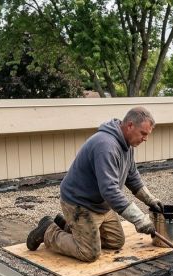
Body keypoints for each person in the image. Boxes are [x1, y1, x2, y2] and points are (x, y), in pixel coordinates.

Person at [26, 107, 163, 262]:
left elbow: (132, 177)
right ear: (130, 125)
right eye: (143, 133)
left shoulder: (127, 145)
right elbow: (110, 191)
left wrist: (150, 200)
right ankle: (48, 231)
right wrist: (139, 219)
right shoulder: (106, 146)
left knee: (116, 242)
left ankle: (66, 225)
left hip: (101, 205)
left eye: (147, 134)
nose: (145, 139)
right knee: (89, 253)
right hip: (80, 203)